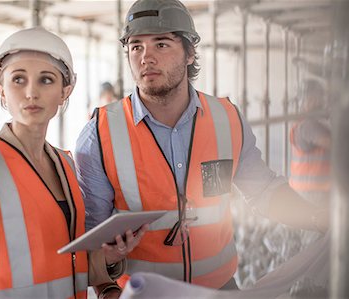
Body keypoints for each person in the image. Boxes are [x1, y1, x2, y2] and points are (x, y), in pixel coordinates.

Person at [75, 0, 328, 291]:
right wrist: (108, 290)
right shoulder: (100, 133)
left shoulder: (226, 119)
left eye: (161, 44)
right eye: (136, 47)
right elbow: (92, 234)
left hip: (219, 289)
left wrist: (317, 218)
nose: (145, 58)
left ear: (190, 53)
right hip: (145, 294)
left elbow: (265, 191)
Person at [0, 27, 146, 299]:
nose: (31, 92)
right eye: (18, 79)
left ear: (65, 91)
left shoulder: (65, 163)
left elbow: (57, 265)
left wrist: (107, 259)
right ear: (1, 90)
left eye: (46, 80)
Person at [290, 79, 331, 208]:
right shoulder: (307, 125)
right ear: (307, 99)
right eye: (316, 97)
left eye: (321, 97)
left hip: (313, 193)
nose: (320, 101)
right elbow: (335, 144)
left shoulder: (314, 123)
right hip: (312, 194)